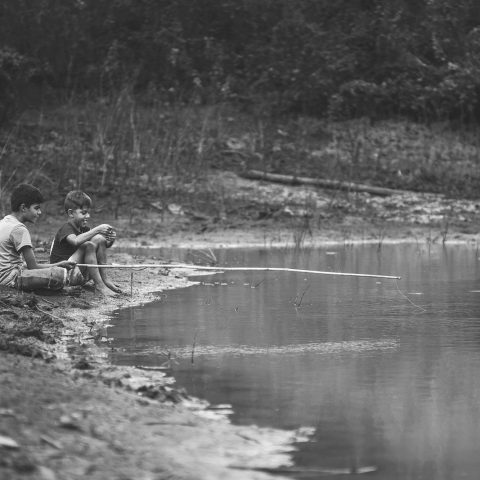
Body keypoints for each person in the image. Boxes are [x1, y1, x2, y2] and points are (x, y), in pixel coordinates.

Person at [0, 183, 75, 291]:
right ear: (23, 208)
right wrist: (59, 265)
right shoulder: (19, 229)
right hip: (11, 279)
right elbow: (33, 267)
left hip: (3, 277)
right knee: (59, 274)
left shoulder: (3, 222)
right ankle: (64, 290)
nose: (39, 212)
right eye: (36, 208)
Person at [49, 190, 122, 296]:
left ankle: (104, 280)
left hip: (79, 273)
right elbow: (75, 241)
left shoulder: (84, 228)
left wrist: (110, 240)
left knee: (99, 239)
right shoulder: (66, 228)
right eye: (83, 213)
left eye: (88, 212)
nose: (88, 216)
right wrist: (97, 229)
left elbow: (103, 245)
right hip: (63, 275)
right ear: (71, 213)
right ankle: (100, 286)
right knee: (88, 245)